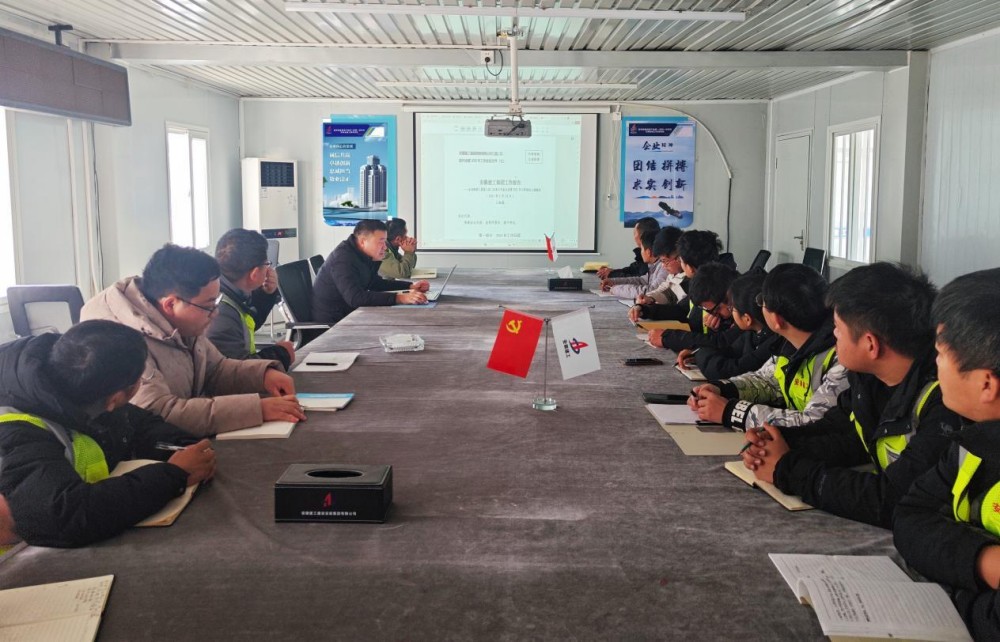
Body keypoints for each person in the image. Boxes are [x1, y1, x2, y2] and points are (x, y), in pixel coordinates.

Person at [740, 263, 959, 528]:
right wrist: (777, 442)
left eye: (837, 328)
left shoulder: (945, 403)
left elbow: (893, 499)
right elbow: (842, 434)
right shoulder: (867, 379)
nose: (832, 335)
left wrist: (788, 469)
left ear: (870, 344)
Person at [0, 321, 216, 548]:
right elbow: (64, 516)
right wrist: (173, 476)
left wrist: (182, 447)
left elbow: (138, 425)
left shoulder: (76, 384)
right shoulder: (17, 431)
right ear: (116, 398)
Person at [82, 244, 306, 437]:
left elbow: (216, 369)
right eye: (208, 306)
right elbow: (159, 413)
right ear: (171, 304)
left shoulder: (183, 321)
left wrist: (263, 375)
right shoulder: (121, 342)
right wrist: (257, 409)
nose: (215, 314)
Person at [893, 268, 1000, 639]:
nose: (935, 366)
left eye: (940, 354)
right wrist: (985, 562)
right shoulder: (976, 439)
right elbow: (910, 515)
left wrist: (947, 593)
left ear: (986, 383)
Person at [689, 263, 849, 431]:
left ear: (777, 319)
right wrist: (722, 389)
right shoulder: (789, 343)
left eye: (761, 302)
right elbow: (768, 381)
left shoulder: (841, 359)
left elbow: (814, 423)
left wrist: (731, 412)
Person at [312, 219, 430, 324]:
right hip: (334, 322)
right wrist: (400, 298)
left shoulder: (365, 254)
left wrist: (410, 286)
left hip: (351, 314)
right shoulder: (342, 259)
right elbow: (355, 298)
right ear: (363, 242)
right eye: (381, 242)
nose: (385, 247)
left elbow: (374, 283)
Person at [208, 228, 295, 370]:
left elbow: (248, 325)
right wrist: (281, 353)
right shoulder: (222, 312)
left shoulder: (232, 292)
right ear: (254, 274)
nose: (269, 269)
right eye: (267, 264)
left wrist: (266, 294)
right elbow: (239, 371)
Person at [676, 270, 780, 380]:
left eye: (732, 308)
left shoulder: (773, 342)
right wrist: (696, 353)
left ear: (747, 319)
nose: (730, 312)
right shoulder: (751, 333)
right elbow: (729, 350)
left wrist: (700, 354)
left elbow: (726, 370)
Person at [599, 230, 667, 298]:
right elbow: (642, 280)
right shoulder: (654, 266)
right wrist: (613, 282)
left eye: (641, 249)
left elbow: (651, 291)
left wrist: (616, 289)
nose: (641, 252)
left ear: (648, 252)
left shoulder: (664, 267)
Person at [596, 217, 660, 280]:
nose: (633, 237)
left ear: (642, 235)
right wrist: (612, 271)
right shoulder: (645, 253)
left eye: (634, 233)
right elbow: (633, 270)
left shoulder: (651, 255)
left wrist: (611, 274)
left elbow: (640, 279)